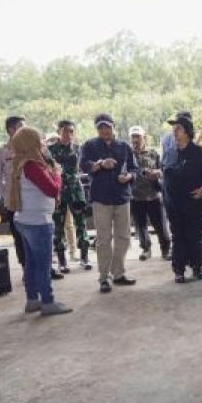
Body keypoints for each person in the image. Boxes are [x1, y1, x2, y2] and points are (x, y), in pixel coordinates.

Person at [7, 126, 72, 316]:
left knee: (32, 263)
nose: (43, 144)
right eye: (40, 140)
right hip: (37, 222)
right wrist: (57, 175)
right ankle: (48, 301)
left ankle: (32, 300)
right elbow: (52, 190)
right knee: (43, 264)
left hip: (25, 220)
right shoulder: (32, 165)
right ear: (31, 143)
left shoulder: (21, 162)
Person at [80, 114, 136, 294]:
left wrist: (129, 176)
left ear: (114, 126)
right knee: (103, 240)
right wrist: (100, 163)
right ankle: (104, 278)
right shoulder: (89, 145)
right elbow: (83, 166)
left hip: (122, 197)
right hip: (101, 199)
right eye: (101, 127)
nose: (104, 130)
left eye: (108, 126)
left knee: (124, 238)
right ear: (97, 129)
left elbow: (134, 169)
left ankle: (118, 273)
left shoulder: (125, 146)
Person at [163, 112, 202, 284]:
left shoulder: (199, 153)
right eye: (174, 128)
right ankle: (179, 271)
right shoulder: (169, 152)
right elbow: (164, 173)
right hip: (174, 204)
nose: (174, 131)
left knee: (194, 236)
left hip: (195, 203)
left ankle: (197, 268)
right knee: (178, 237)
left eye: (178, 128)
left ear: (187, 132)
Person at [47, 120, 91, 274]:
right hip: (58, 191)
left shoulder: (79, 149)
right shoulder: (50, 150)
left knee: (81, 224)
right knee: (58, 227)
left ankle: (85, 258)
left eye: (71, 131)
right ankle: (62, 261)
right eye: (65, 131)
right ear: (59, 132)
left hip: (75, 190)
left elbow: (83, 167)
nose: (69, 134)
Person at [128, 126, 171, 261]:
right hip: (135, 196)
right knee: (140, 226)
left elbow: (163, 169)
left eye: (138, 137)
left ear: (144, 137)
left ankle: (165, 249)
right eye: (133, 137)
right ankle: (146, 249)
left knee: (161, 225)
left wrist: (158, 173)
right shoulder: (127, 154)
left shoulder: (153, 153)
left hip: (153, 195)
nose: (135, 140)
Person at [0, 116, 28, 271]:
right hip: (13, 202)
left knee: (37, 232)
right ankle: (26, 267)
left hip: (31, 198)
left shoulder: (30, 148)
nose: (25, 130)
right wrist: (7, 196)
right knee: (19, 235)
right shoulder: (0, 152)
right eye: (21, 127)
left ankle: (44, 266)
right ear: (11, 130)